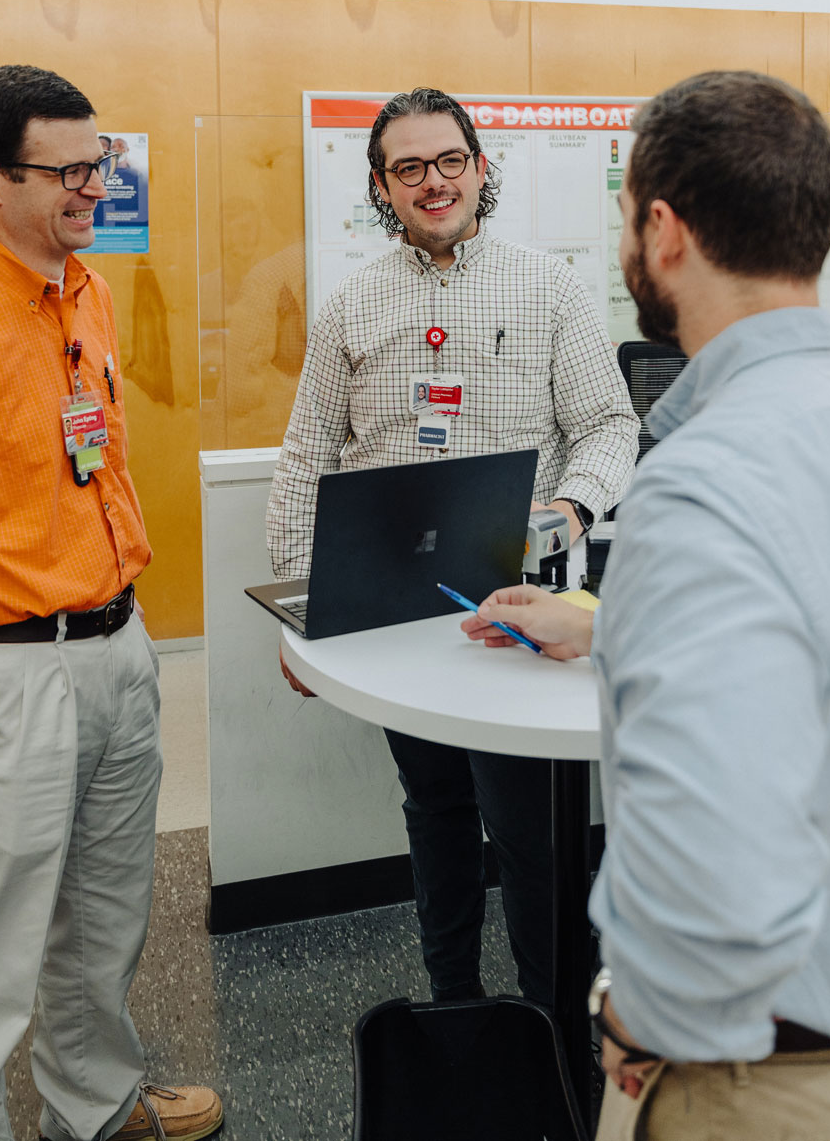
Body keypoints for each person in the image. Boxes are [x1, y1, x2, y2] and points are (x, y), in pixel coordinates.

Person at [463, 70, 830, 1139]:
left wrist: (633, 1010)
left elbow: (715, 868)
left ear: (662, 230)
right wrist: (613, 625)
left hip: (771, 1081)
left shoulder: (704, 477)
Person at [0, 66, 222, 1141]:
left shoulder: (86, 292)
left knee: (107, 917)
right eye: (71, 168)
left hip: (118, 654)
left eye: (102, 162)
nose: (96, 184)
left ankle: (93, 1105)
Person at [267, 86, 639, 1007]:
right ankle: (458, 1011)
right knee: (433, 809)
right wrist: (298, 608)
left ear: (480, 167)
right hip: (395, 610)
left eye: (449, 161)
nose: (433, 182)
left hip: (523, 611)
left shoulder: (547, 284)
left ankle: (554, 1029)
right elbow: (309, 454)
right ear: (381, 186)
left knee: (528, 831)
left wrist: (567, 511)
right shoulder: (353, 303)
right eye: (408, 168)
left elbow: (608, 425)